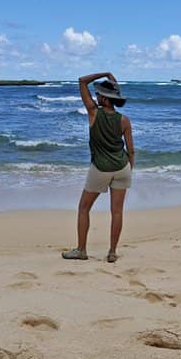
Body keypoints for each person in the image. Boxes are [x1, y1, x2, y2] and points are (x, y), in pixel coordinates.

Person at [62, 71, 134, 263]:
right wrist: (129, 170)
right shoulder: (124, 120)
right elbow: (131, 150)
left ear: (104, 98)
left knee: (84, 208)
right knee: (117, 212)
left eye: (99, 94)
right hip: (122, 167)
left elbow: (81, 80)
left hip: (100, 168)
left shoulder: (93, 113)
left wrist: (105, 74)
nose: (96, 97)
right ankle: (112, 252)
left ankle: (81, 250)